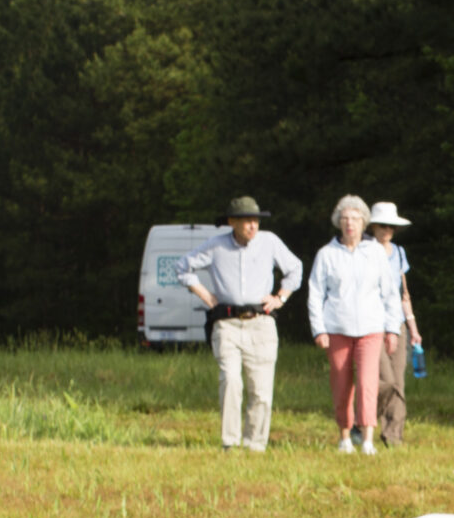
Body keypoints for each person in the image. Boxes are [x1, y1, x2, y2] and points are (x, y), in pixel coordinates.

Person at [178, 198, 302, 453]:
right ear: (232, 222)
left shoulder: (270, 242)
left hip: (262, 324)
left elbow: (295, 269)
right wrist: (205, 295)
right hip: (227, 324)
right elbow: (183, 267)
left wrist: (281, 297)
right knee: (231, 381)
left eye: (255, 220)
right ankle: (230, 443)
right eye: (246, 220)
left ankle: (255, 444)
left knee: (261, 388)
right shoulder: (216, 246)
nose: (252, 225)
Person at [307, 195, 403, 455]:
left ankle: (368, 438)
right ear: (338, 222)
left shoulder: (374, 252)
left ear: (364, 222)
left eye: (355, 218)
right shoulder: (326, 254)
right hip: (337, 327)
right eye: (345, 219)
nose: (350, 223)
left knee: (368, 383)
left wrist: (392, 328)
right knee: (341, 384)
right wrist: (319, 329)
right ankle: (345, 437)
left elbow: (390, 292)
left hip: (371, 328)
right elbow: (315, 293)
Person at [369, 200, 421, 447]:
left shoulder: (399, 253)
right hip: (371, 323)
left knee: (398, 381)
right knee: (383, 380)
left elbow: (404, 293)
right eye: (381, 225)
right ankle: (364, 420)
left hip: (397, 324)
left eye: (390, 226)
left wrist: (413, 327)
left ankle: (394, 435)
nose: (386, 230)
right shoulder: (364, 251)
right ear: (372, 226)